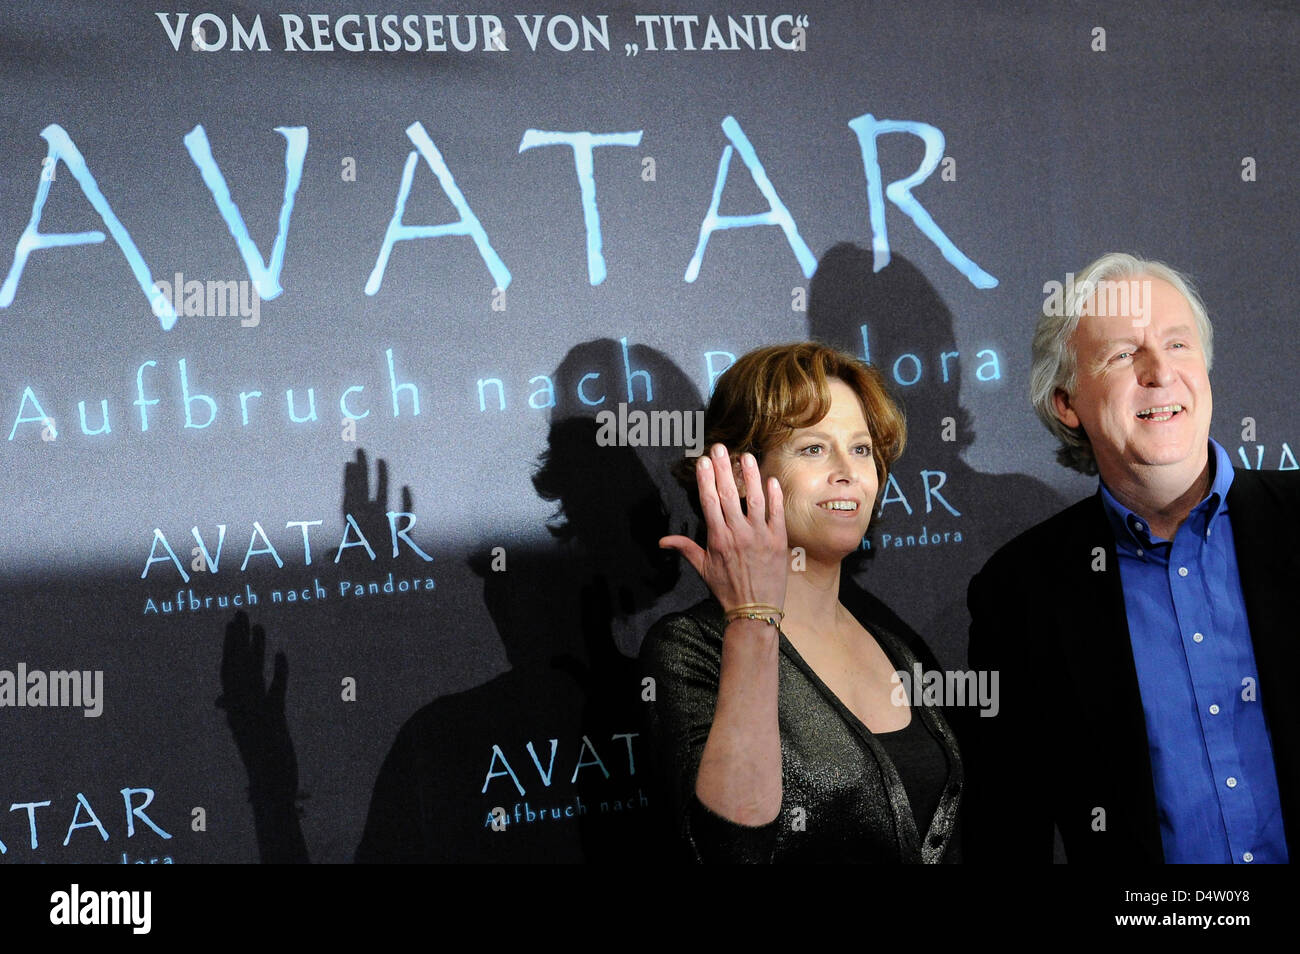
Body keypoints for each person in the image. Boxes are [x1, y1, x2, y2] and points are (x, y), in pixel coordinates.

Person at [965, 252, 1299, 864]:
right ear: (1067, 404)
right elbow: (1007, 831)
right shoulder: (1020, 594)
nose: (1159, 373)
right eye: (1122, 355)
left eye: (1178, 345)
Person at [641, 342, 963, 863]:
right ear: (746, 475)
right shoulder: (692, 647)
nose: (848, 471)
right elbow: (730, 848)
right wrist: (752, 619)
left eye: (861, 449)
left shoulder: (895, 649)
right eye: (813, 449)